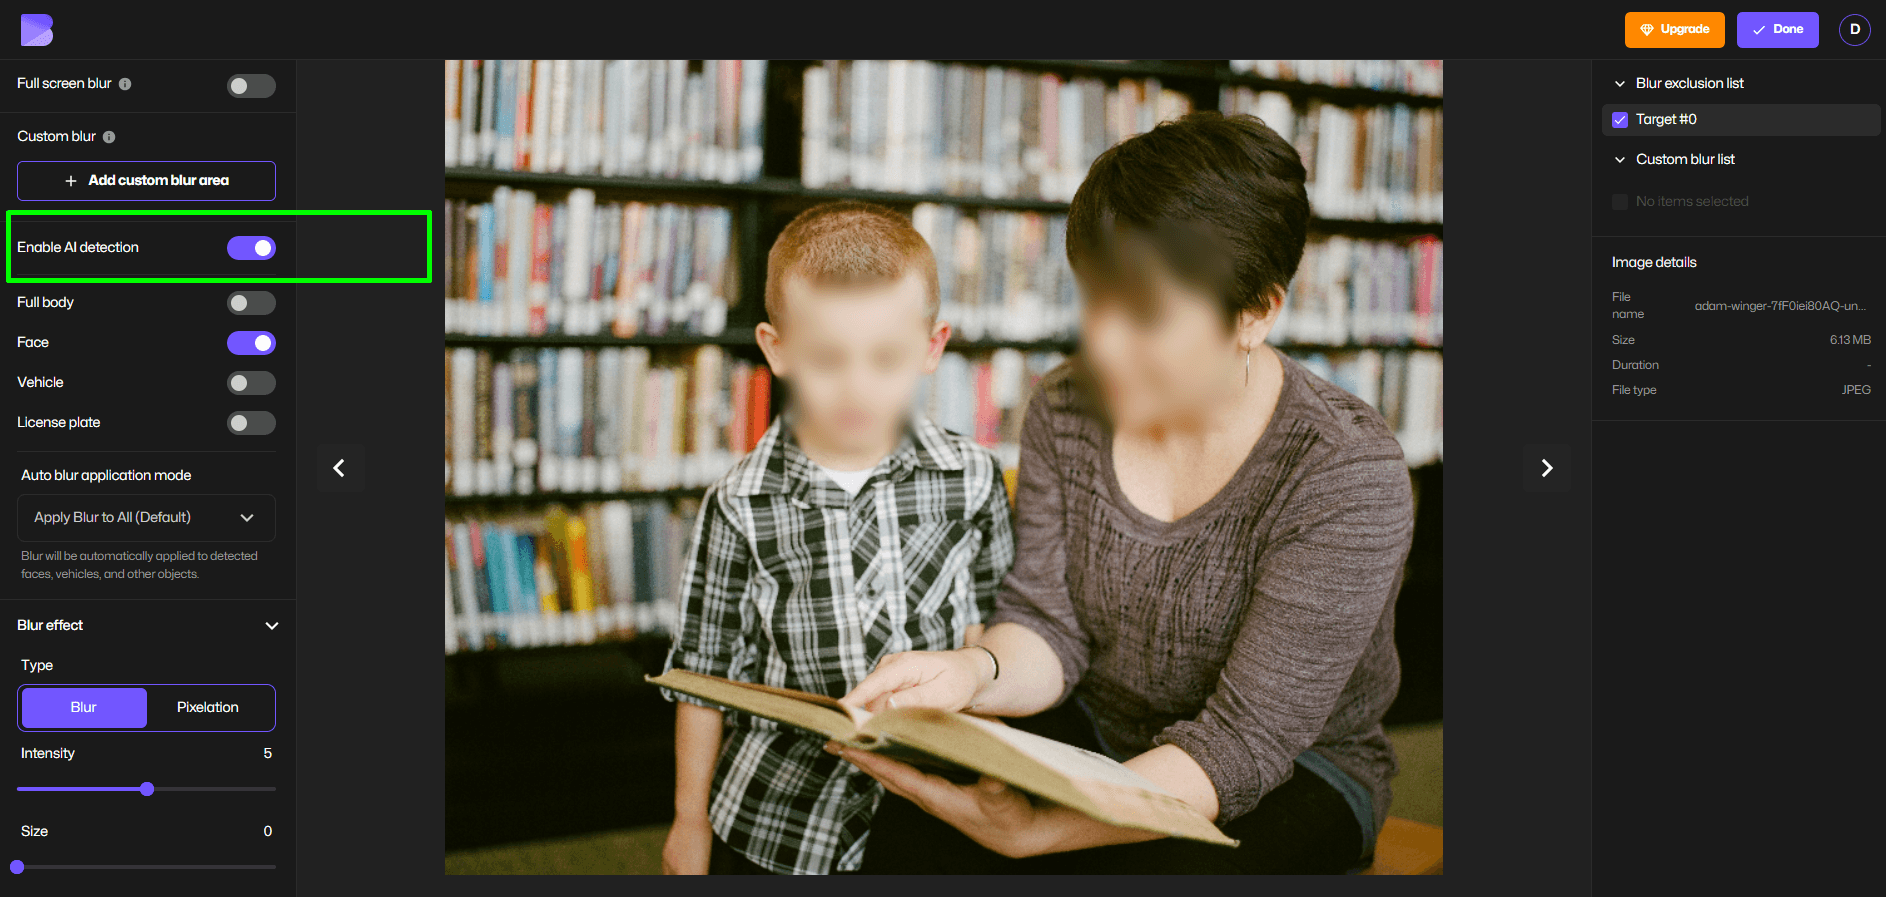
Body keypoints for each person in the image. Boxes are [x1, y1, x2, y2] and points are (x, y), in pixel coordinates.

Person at [838, 112, 1415, 874]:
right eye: (1094, 297)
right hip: (1101, 727)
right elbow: (1049, 626)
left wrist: (1042, 826)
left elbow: (1242, 744)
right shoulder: (1065, 405)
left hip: (1296, 771)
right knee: (911, 829)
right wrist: (972, 673)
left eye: (1144, 314)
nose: (1103, 341)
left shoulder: (1344, 472)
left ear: (1257, 313)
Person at [658, 201, 1016, 875]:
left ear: (932, 347)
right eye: (827, 359)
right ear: (776, 350)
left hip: (933, 805)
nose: (857, 387)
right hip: (781, 816)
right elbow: (700, 676)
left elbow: (993, 628)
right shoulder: (739, 502)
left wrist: (997, 764)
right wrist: (687, 819)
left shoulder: (970, 476)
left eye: (886, 358)